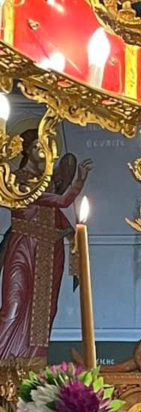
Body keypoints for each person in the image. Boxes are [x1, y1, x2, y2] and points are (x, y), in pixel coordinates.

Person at [0, 133, 92, 363]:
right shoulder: (15, 180)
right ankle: (4, 362)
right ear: (25, 150)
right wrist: (78, 182)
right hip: (23, 247)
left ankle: (33, 364)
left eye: (45, 147)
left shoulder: (47, 183)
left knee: (45, 310)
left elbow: (55, 213)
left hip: (50, 251)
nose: (42, 150)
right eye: (36, 146)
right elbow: (60, 201)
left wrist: (71, 235)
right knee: (13, 304)